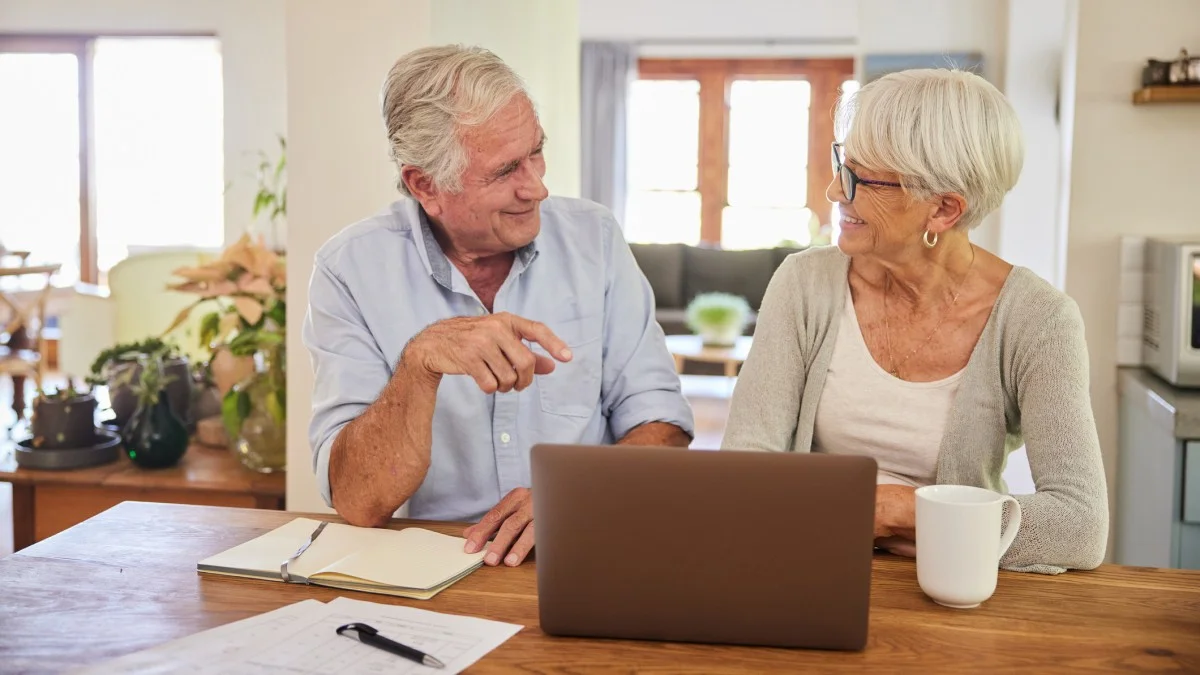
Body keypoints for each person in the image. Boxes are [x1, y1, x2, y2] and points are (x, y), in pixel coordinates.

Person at [303, 45, 693, 569]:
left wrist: (577, 495)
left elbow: (663, 424)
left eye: (536, 152)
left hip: (586, 545)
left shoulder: (594, 237)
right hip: (435, 565)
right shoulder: (348, 269)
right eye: (506, 170)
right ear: (425, 185)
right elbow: (358, 500)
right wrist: (420, 363)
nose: (537, 187)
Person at [721, 69, 1108, 574]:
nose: (835, 191)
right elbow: (744, 470)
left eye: (860, 179)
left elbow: (1080, 526)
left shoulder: (1038, 319)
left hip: (953, 586)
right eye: (842, 164)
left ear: (943, 210)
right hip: (810, 568)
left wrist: (903, 511)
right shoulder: (804, 283)